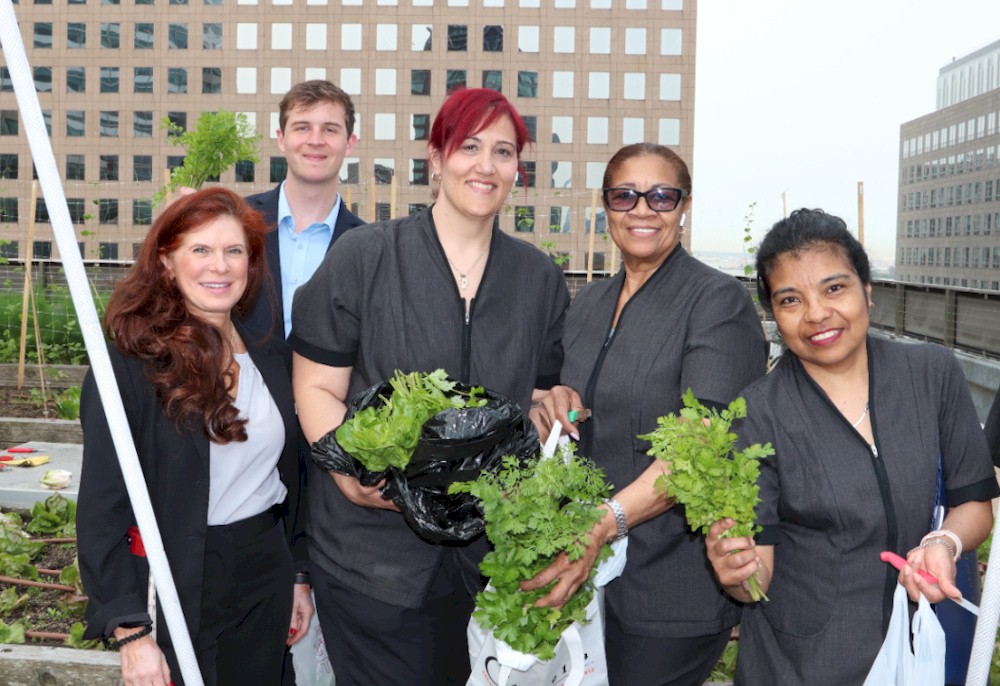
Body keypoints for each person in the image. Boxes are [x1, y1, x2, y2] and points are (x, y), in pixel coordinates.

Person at [289, 88, 569, 685]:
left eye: (503, 151)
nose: (485, 166)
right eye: (469, 147)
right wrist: (352, 474)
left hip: (486, 557)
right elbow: (314, 386)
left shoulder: (537, 277)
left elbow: (539, 393)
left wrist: (556, 406)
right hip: (373, 554)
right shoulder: (366, 256)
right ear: (437, 159)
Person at [705, 208, 998, 685]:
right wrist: (735, 571)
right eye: (790, 299)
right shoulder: (757, 413)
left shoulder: (931, 374)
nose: (817, 313)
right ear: (774, 315)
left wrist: (943, 542)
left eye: (834, 288)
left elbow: (975, 503)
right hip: (804, 664)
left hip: (922, 650)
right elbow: (757, 577)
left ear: (868, 290)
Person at [530, 142, 768, 685]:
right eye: (625, 195)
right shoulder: (588, 303)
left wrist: (604, 522)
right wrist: (553, 401)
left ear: (684, 206)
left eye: (661, 196)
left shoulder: (716, 302)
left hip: (669, 589)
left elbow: (699, 445)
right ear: (606, 207)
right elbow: (577, 398)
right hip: (586, 579)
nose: (642, 209)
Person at [77, 188, 312, 686]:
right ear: (167, 262)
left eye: (233, 251)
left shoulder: (269, 352)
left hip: (263, 571)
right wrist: (131, 633)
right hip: (179, 578)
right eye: (200, 250)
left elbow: (293, 472)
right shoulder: (131, 366)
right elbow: (102, 509)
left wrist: (297, 573)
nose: (219, 266)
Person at [242, 79, 366, 341]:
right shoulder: (238, 220)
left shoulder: (369, 246)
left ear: (350, 143)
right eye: (302, 127)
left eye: (330, 129)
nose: (315, 140)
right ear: (282, 139)